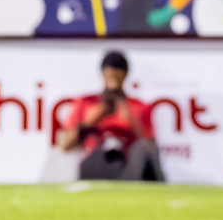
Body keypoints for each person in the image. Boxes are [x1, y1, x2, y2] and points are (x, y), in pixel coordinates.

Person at [57, 50, 163, 182]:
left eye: (117, 74)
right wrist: (89, 122)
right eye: (110, 74)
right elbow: (65, 145)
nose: (113, 78)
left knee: (143, 150)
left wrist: (131, 121)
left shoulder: (138, 107)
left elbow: (149, 148)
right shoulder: (86, 103)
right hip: (96, 159)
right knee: (97, 155)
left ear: (125, 76)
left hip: (127, 164)